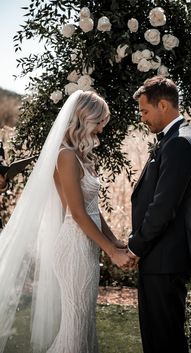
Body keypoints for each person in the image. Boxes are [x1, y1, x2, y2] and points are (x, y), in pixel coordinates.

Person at [0, 90, 130, 353]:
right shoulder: (66, 156)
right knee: (76, 328)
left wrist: (115, 240)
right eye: (100, 122)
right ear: (84, 119)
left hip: (86, 246)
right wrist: (111, 253)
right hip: (74, 248)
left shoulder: (82, 156)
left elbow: (93, 209)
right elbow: (78, 214)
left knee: (83, 327)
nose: (102, 129)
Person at [127, 76, 191, 353]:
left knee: (166, 340)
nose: (143, 118)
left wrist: (135, 246)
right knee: (157, 337)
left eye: (145, 111)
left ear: (162, 105)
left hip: (166, 260)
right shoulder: (172, 139)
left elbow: (163, 207)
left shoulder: (179, 143)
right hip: (160, 258)